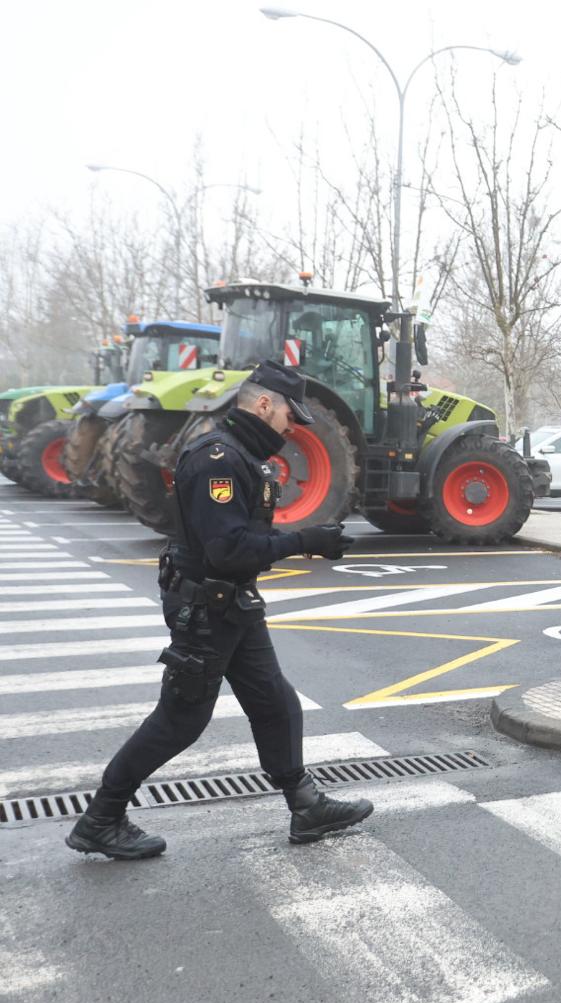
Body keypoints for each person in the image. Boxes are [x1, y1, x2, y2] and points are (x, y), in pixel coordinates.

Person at [66, 363, 370, 860]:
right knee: (180, 720)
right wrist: (305, 541)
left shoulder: (245, 456)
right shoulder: (218, 459)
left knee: (276, 703)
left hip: (230, 601)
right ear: (264, 404)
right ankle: (101, 818)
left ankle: (306, 805)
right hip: (206, 606)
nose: (292, 429)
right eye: (289, 417)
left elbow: (238, 544)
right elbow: (226, 550)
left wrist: (300, 541)